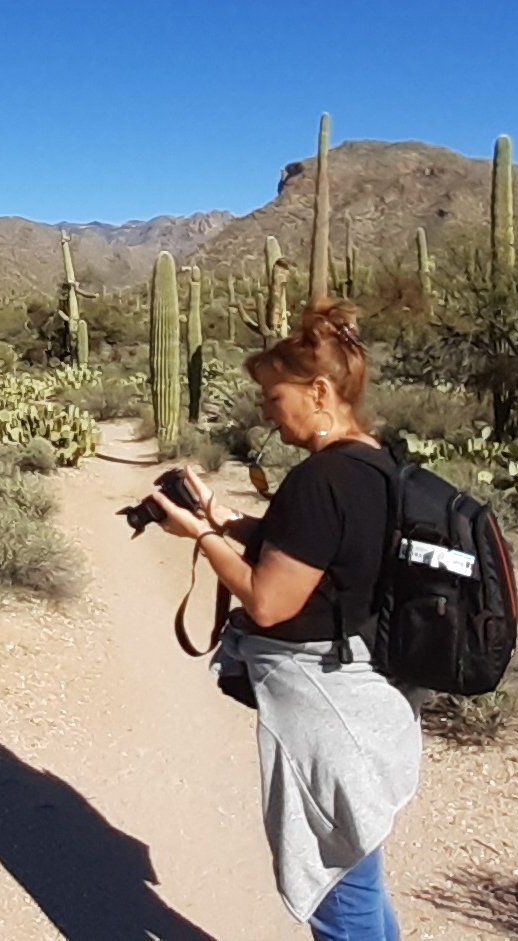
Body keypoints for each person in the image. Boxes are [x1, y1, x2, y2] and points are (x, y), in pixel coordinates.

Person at [151, 299, 422, 941]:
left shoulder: (321, 481)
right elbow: (314, 551)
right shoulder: (376, 462)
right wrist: (220, 516)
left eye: (275, 397)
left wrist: (195, 534)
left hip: (326, 710)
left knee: (336, 889)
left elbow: (269, 600)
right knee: (357, 871)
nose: (268, 412)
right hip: (368, 691)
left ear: (319, 391)